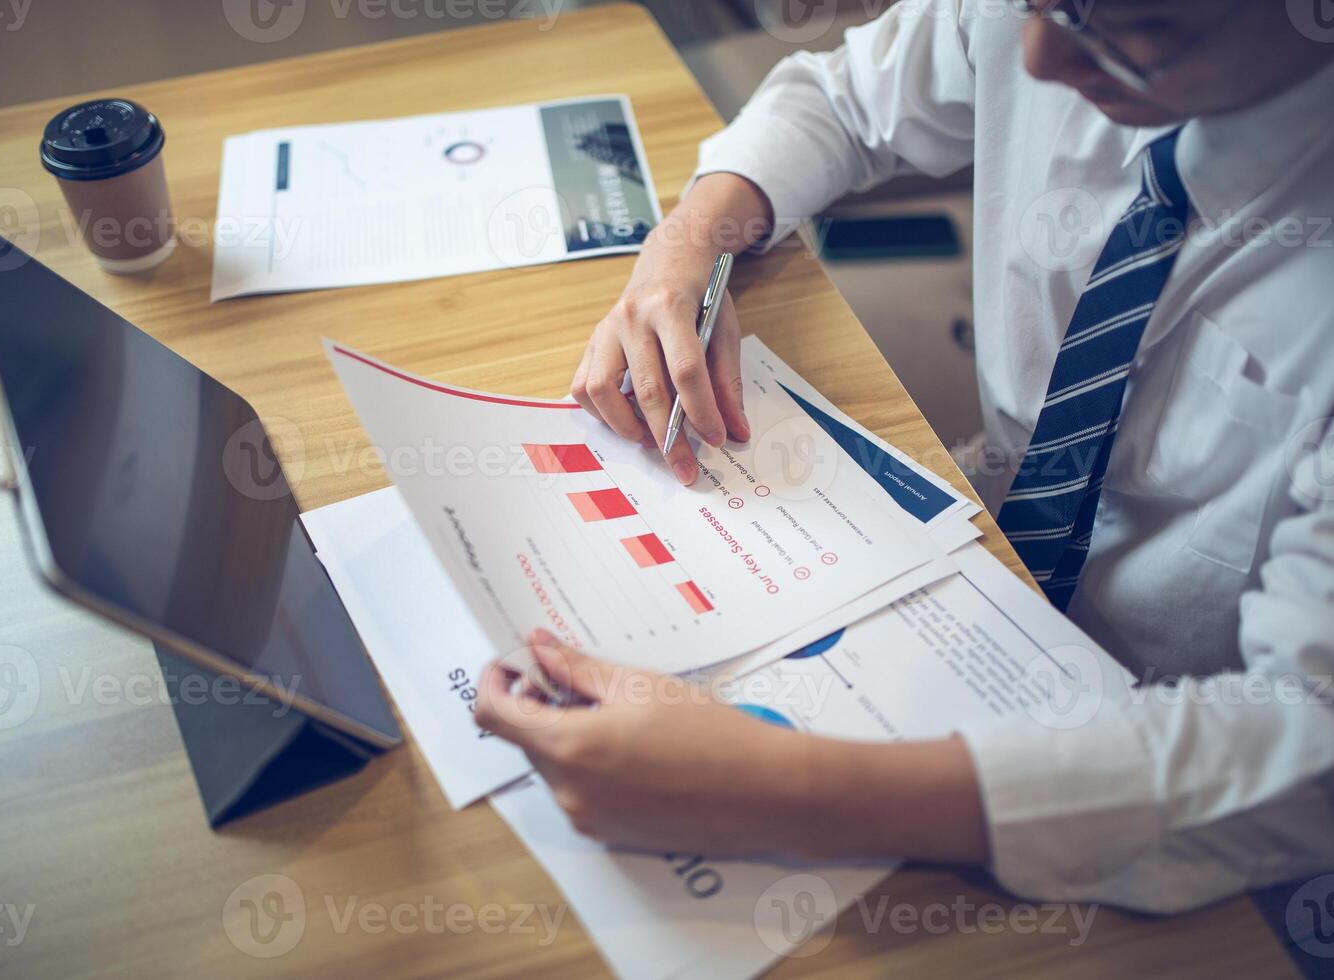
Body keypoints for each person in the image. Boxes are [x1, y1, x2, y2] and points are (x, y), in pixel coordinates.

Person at [475, 0, 1334, 914]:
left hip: (1184, 747)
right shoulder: (1041, 21)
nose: (1036, 56)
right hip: (979, 567)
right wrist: (688, 245)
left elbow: (1305, 747)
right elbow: (846, 97)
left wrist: (780, 791)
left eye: (1141, 30)